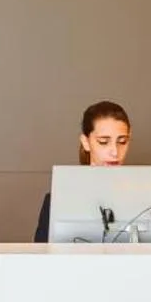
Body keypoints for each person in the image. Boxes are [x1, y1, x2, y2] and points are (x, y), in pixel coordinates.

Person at [33, 101, 131, 242]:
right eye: (103, 141)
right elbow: (40, 257)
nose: (115, 152)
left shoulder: (144, 197)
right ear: (86, 142)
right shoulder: (58, 200)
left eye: (122, 141)